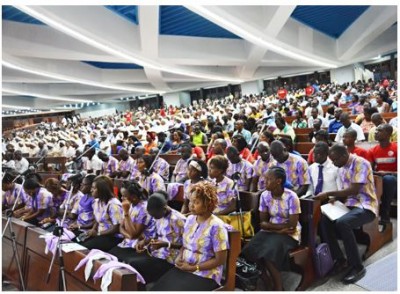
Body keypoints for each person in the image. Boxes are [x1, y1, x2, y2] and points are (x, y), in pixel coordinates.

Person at [313, 144, 377, 284]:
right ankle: (340, 259)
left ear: (344, 155)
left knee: (343, 223)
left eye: (335, 160)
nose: (334, 163)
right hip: (349, 204)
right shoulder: (342, 167)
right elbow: (344, 192)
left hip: (365, 205)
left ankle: (357, 266)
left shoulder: (361, 163)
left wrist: (329, 194)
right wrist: (335, 200)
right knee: (324, 219)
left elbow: (354, 190)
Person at [149, 181, 229, 291]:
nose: (191, 205)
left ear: (208, 203)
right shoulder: (190, 219)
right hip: (185, 267)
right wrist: (179, 257)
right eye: (191, 201)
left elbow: (220, 260)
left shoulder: (217, 226)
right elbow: (185, 245)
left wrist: (194, 267)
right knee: (157, 289)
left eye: (196, 202)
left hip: (206, 274)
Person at [241, 167, 301, 291]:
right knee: (248, 250)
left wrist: (271, 227)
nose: (264, 181)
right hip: (273, 232)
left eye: (268, 179)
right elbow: (262, 223)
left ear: (278, 181)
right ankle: (266, 281)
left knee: (268, 254)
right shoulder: (264, 195)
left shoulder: (291, 197)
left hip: (290, 234)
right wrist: (277, 229)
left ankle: (279, 287)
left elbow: (292, 225)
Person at [132, 191, 187, 283]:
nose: (154, 218)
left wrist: (166, 244)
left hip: (171, 259)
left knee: (138, 266)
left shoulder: (178, 220)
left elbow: (186, 246)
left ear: (164, 209)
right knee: (133, 265)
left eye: (155, 215)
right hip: (157, 254)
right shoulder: (158, 215)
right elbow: (156, 234)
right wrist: (145, 242)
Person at [108, 181, 155, 263]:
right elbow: (121, 227)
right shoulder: (129, 205)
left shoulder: (144, 209)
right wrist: (129, 236)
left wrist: (126, 213)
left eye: (124, 196)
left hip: (140, 246)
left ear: (133, 197)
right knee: (109, 256)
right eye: (121, 195)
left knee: (117, 262)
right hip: (128, 242)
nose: (121, 198)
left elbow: (134, 234)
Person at [80, 175, 123, 251]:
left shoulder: (113, 205)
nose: (91, 190)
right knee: (78, 241)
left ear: (102, 190)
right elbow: (97, 220)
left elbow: (116, 228)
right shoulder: (97, 201)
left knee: (85, 248)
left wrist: (98, 234)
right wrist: (93, 229)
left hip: (112, 237)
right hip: (100, 234)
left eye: (94, 188)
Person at [368, 124, 397, 225]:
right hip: (379, 179)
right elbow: (370, 170)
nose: (376, 133)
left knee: (389, 179)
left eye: (379, 131)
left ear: (388, 134)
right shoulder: (372, 150)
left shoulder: (396, 148)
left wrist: (387, 173)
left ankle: (385, 215)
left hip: (395, 179)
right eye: (376, 130)